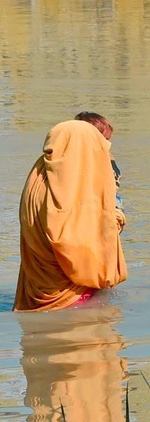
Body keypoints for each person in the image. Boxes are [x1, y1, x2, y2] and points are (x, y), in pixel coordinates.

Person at [13, 120, 127, 312]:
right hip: (72, 299)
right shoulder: (74, 188)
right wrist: (115, 214)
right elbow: (75, 243)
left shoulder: (38, 178)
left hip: (36, 291)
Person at [74, 111, 124, 213]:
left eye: (108, 139)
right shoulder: (74, 163)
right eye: (103, 139)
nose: (108, 144)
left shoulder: (107, 158)